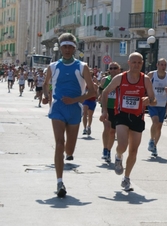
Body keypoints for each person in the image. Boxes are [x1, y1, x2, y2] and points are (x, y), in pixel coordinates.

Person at [42, 33, 96, 197]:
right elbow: (45, 85)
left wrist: (75, 100)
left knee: (69, 150)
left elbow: (93, 91)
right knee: (59, 143)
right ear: (61, 47)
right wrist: (46, 96)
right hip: (58, 108)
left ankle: (68, 154)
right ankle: (59, 182)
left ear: (74, 48)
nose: (67, 49)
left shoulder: (82, 67)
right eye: (64, 46)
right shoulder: (53, 67)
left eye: (70, 47)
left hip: (74, 110)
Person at [100, 52, 155, 191]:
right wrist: (104, 111)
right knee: (123, 145)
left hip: (137, 117)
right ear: (129, 63)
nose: (136, 65)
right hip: (122, 115)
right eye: (134, 62)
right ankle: (118, 156)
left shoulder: (145, 80)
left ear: (142, 64)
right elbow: (105, 92)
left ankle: (127, 178)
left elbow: (154, 99)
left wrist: (148, 100)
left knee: (134, 151)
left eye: (139, 63)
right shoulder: (120, 78)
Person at [147, 58, 167, 157]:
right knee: (155, 122)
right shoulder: (151, 75)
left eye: (165, 65)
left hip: (163, 104)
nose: (163, 67)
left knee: (159, 126)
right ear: (157, 65)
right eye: (161, 65)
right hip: (153, 103)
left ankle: (154, 146)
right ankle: (151, 140)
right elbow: (144, 85)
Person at [99, 62, 121, 163]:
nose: (113, 70)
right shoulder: (105, 80)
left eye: (115, 68)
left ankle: (109, 149)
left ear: (119, 69)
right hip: (107, 107)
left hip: (117, 108)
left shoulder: (122, 80)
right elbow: (100, 90)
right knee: (107, 128)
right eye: (111, 68)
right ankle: (105, 150)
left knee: (113, 131)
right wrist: (100, 96)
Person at [82, 71, 99, 136]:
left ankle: (88, 126)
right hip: (86, 100)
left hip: (92, 101)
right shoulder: (84, 84)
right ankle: (84, 128)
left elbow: (96, 94)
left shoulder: (94, 85)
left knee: (90, 115)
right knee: (85, 113)